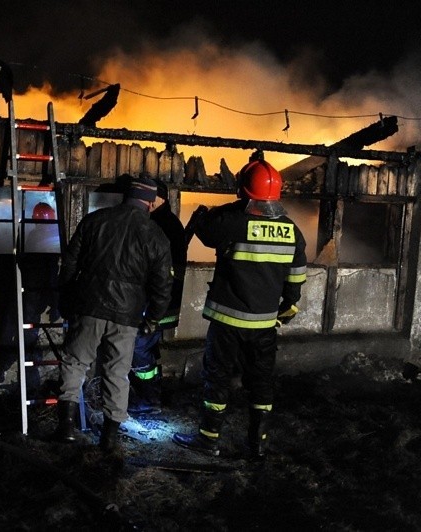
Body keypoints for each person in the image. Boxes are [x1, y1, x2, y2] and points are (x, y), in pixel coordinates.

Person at [172, 156, 307, 459]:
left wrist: (228, 208)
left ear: (244, 191)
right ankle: (257, 445)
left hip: (228, 321)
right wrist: (283, 311)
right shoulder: (292, 231)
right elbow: (295, 283)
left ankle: (208, 441)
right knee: (260, 383)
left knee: (217, 379)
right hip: (263, 327)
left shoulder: (233, 221)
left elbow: (205, 232)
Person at [55, 177, 173, 453]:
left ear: (125, 196)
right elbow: (162, 285)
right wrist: (152, 318)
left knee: (74, 364)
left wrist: (66, 297)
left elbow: (70, 262)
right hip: (127, 316)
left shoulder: (95, 220)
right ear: (151, 202)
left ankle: (65, 428)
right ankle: (109, 438)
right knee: (117, 374)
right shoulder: (156, 235)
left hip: (89, 306)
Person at [0, 202, 61, 410]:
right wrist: (55, 303)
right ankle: (28, 395)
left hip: (11, 303)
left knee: (5, 348)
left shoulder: (25, 239)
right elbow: (51, 277)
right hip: (27, 305)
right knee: (28, 350)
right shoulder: (46, 243)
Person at [127, 179, 187, 416]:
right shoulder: (168, 222)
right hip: (163, 303)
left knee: (139, 349)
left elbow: (158, 272)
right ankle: (151, 395)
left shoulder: (161, 225)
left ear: (161, 198)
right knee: (149, 351)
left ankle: (148, 400)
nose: (148, 204)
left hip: (156, 305)